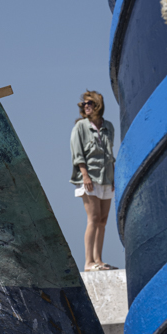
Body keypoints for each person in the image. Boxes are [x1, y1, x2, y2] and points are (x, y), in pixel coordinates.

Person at [70, 90, 117, 272]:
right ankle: (88, 261)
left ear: (97, 105)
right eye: (84, 104)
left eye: (89, 103)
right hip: (89, 178)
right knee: (94, 218)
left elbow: (109, 154)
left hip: (106, 178)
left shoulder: (109, 127)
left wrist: (114, 177)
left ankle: (99, 259)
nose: (86, 106)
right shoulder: (80, 127)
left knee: (103, 220)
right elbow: (78, 154)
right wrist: (85, 175)